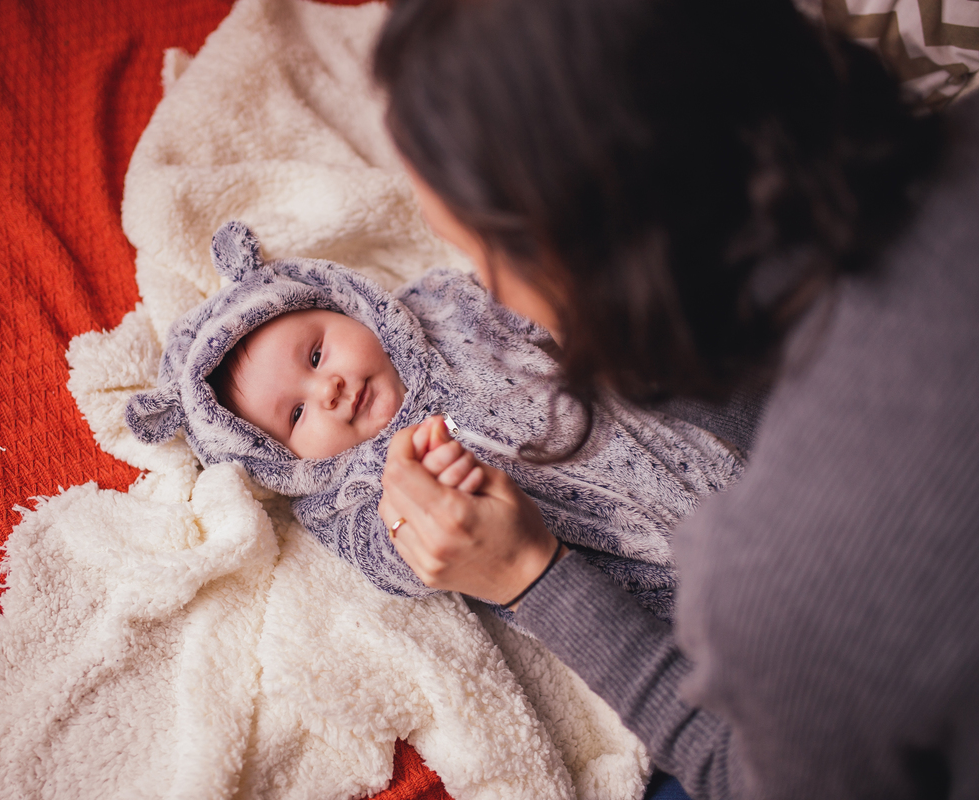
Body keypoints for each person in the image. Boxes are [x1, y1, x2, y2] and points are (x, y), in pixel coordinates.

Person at [371, 0, 979, 797]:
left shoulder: (773, 584)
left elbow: (746, 777)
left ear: (599, 260)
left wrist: (533, 577)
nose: (482, 292)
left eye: (477, 254)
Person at [125, 220, 745, 617]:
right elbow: (391, 562)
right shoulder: (354, 494)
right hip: (644, 585)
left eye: (316, 355)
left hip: (678, 449)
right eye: (296, 414)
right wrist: (411, 515)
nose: (331, 390)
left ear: (343, 305)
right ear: (279, 461)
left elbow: (542, 312)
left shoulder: (446, 309)